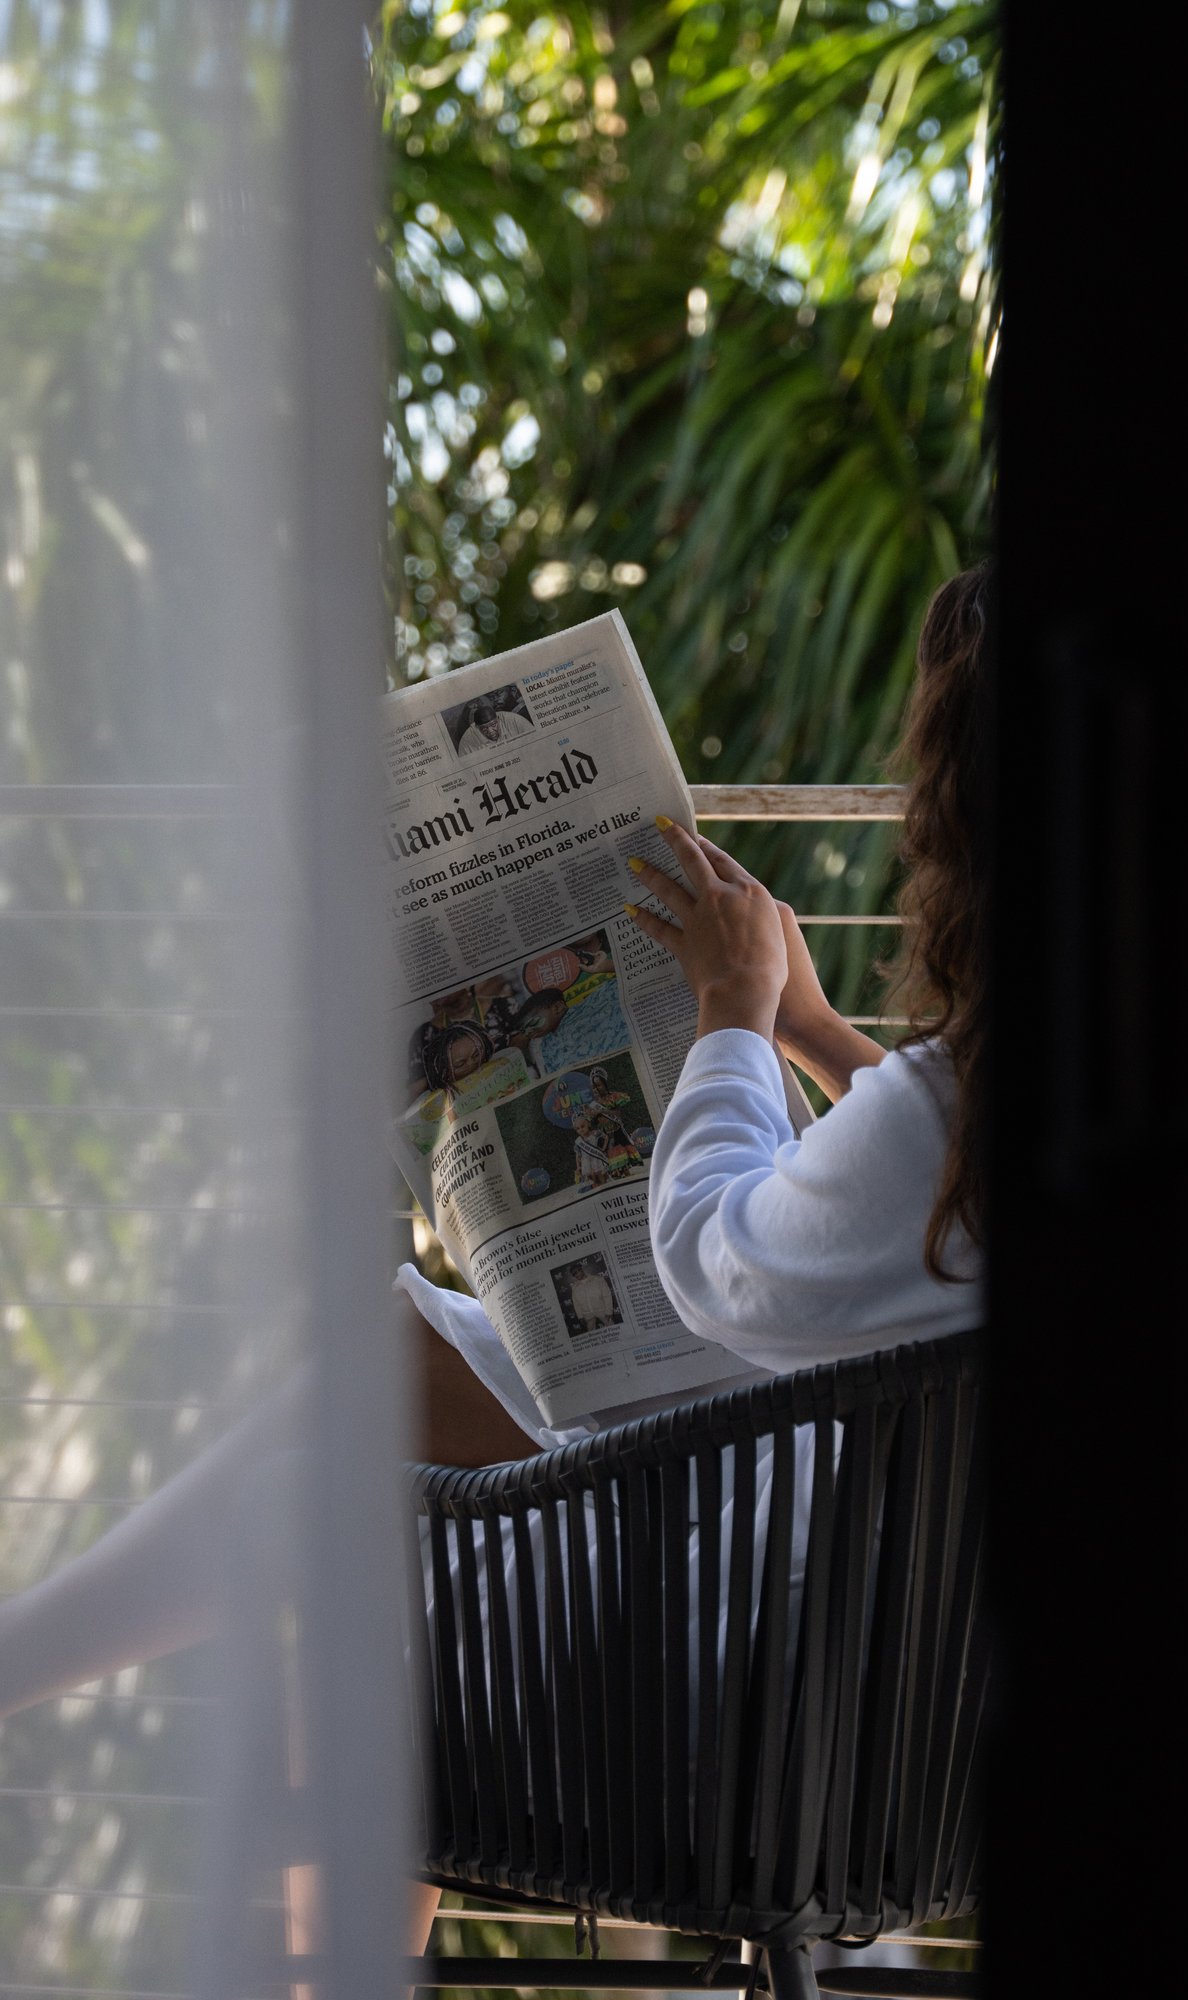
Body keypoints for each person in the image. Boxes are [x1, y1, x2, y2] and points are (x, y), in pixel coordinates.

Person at [0, 564, 989, 1961]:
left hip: (756, 1728)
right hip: (903, 1712)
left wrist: (728, 1011)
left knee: (332, 1515)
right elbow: (918, 1200)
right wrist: (817, 1036)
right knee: (383, 1356)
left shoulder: (951, 1109)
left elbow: (711, 1257)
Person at [456, 694, 534, 755]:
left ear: (498, 720)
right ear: (476, 728)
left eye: (493, 725)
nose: (490, 731)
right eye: (484, 728)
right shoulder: (467, 744)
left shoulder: (514, 721)